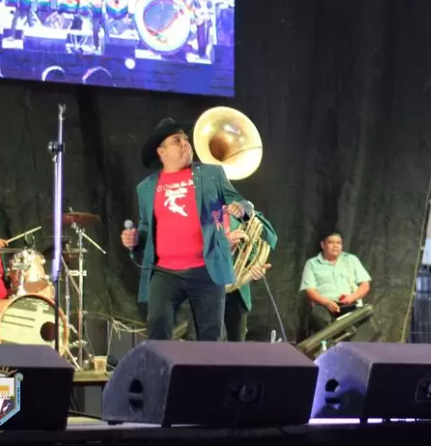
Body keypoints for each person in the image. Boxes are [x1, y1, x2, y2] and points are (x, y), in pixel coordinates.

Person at [121, 118, 277, 342]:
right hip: (165, 273)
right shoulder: (146, 187)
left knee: (210, 339)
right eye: (177, 140)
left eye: (186, 138)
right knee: (157, 330)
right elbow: (146, 227)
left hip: (206, 269)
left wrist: (240, 208)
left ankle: (208, 378)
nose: (186, 143)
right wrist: (134, 240)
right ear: (161, 151)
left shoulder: (211, 174)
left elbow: (245, 204)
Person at [299, 231, 371, 336]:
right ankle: (330, 345)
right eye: (331, 242)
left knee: (364, 317)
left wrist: (352, 297)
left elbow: (365, 285)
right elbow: (310, 290)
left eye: (338, 243)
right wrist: (327, 302)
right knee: (318, 315)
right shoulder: (312, 263)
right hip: (325, 306)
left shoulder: (351, 259)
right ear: (323, 245)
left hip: (350, 305)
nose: (335, 246)